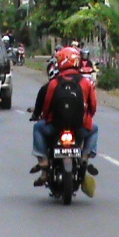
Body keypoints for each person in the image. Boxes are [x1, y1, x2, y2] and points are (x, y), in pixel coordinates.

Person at [31, 47, 99, 186]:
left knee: (38, 128)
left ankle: (43, 159)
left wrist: (45, 117)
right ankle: (85, 156)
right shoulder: (86, 83)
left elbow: (47, 105)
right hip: (79, 127)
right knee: (94, 129)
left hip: (55, 127)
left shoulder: (54, 83)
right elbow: (93, 106)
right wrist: (87, 118)